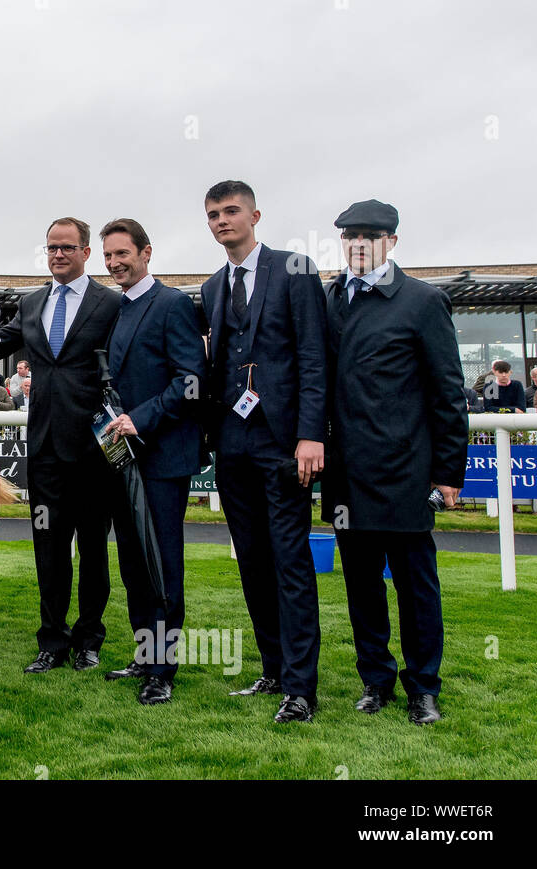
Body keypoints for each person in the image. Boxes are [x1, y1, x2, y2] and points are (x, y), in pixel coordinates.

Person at [322, 199, 468, 725]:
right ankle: (375, 680)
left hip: (406, 471)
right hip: (346, 473)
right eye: (350, 235)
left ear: (392, 242)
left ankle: (423, 686)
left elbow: (449, 393)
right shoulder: (330, 297)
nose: (359, 244)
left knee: (415, 586)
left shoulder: (424, 301)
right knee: (361, 585)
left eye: (371, 235)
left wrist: (449, 471)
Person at [198, 180, 327, 723]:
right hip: (233, 442)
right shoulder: (210, 287)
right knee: (250, 560)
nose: (222, 221)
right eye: (213, 214)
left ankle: (301, 687)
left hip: (284, 442)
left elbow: (315, 357)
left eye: (231, 212)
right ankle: (273, 669)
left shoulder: (295, 270)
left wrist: (311, 434)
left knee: (289, 561)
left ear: (255, 214)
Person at [0, 217, 122, 676]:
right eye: (51, 248)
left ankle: (89, 639)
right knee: (48, 551)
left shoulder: (110, 303)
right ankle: (51, 642)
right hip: (45, 449)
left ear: (87, 252)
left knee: (93, 550)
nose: (57, 255)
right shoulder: (31, 303)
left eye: (67, 247)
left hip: (94, 450)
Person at [97, 219, 207, 705]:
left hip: (162, 456)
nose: (115, 262)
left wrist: (139, 419)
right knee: (134, 566)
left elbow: (190, 382)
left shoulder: (173, 304)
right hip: (123, 459)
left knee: (162, 566)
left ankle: (163, 669)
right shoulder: (120, 309)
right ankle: (144, 655)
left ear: (146, 253)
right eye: (109, 256)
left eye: (123, 253)